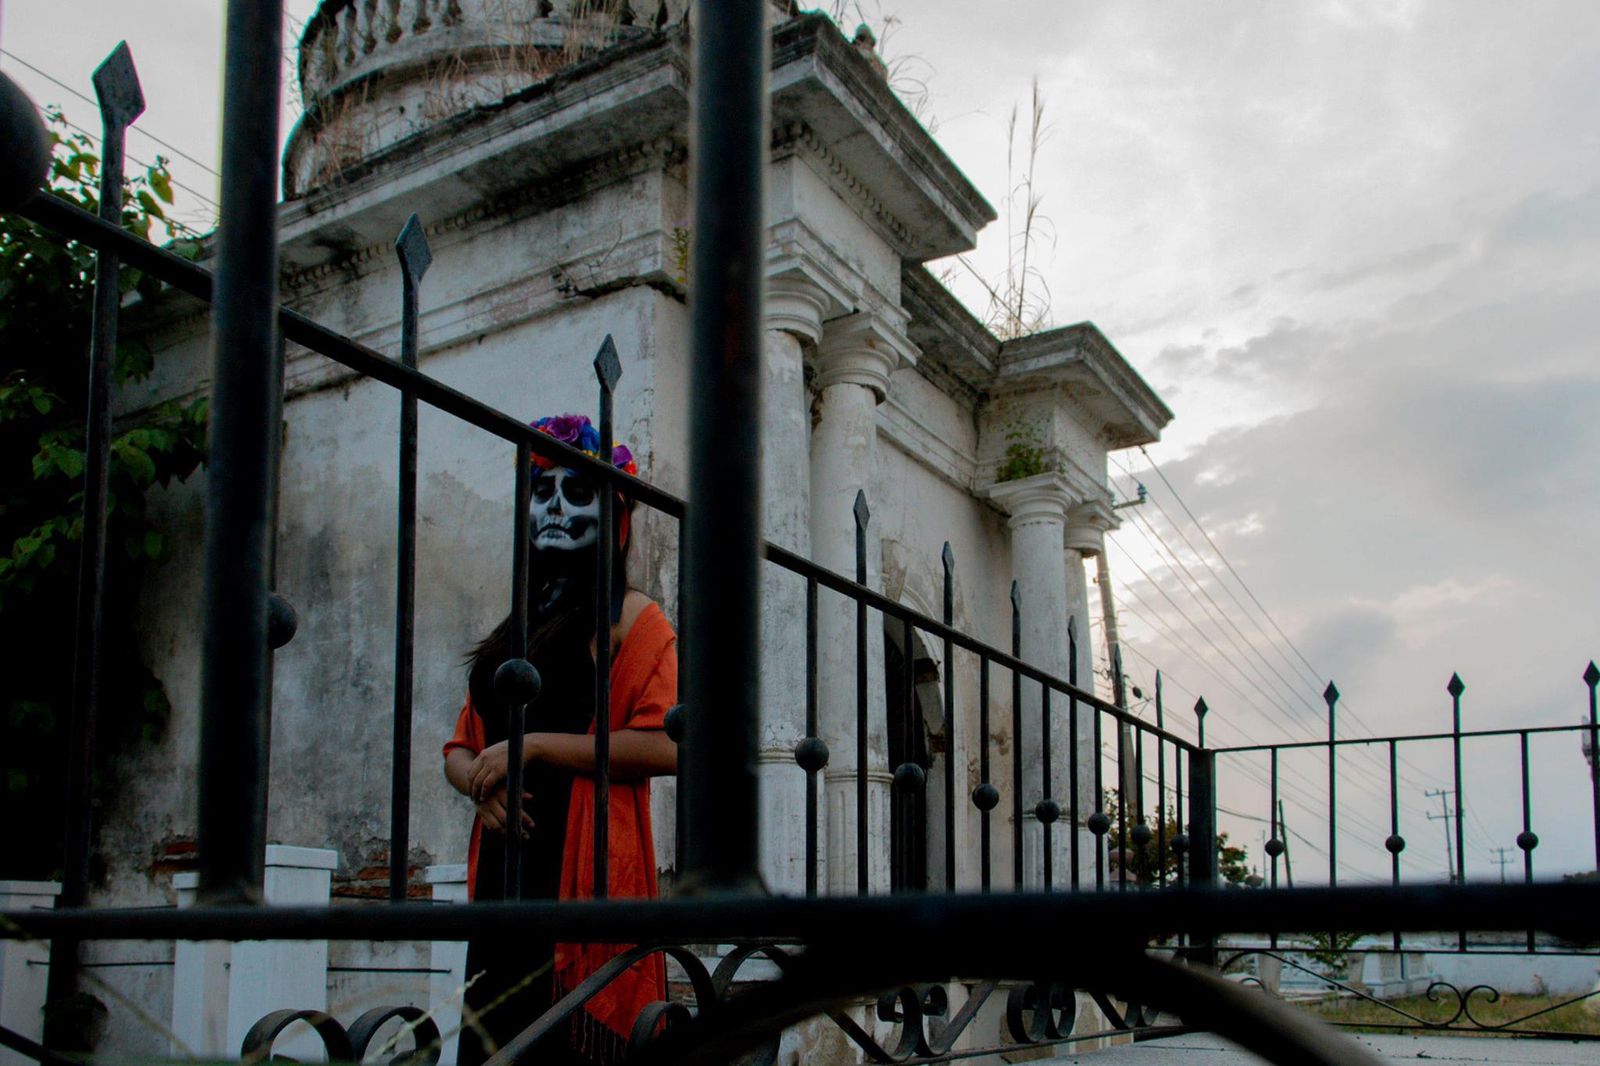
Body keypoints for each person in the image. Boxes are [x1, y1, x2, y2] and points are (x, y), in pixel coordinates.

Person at [443, 414, 677, 1064]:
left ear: (617, 515)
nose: (554, 507)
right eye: (542, 491)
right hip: (502, 868)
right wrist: (480, 787)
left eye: (578, 493)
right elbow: (460, 747)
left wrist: (536, 748)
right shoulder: (516, 623)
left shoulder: (634, 618)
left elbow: (667, 746)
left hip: (577, 866)